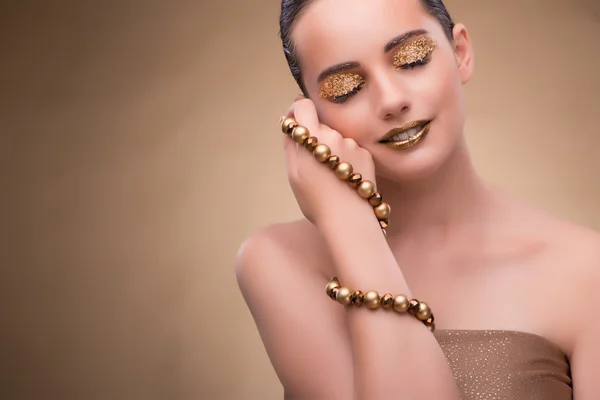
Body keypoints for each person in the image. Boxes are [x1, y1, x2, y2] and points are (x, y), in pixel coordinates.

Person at [235, 0, 600, 398]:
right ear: (311, 116)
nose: (391, 100)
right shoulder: (280, 260)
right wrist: (352, 226)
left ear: (460, 52)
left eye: (411, 59)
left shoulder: (586, 272)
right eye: (346, 88)